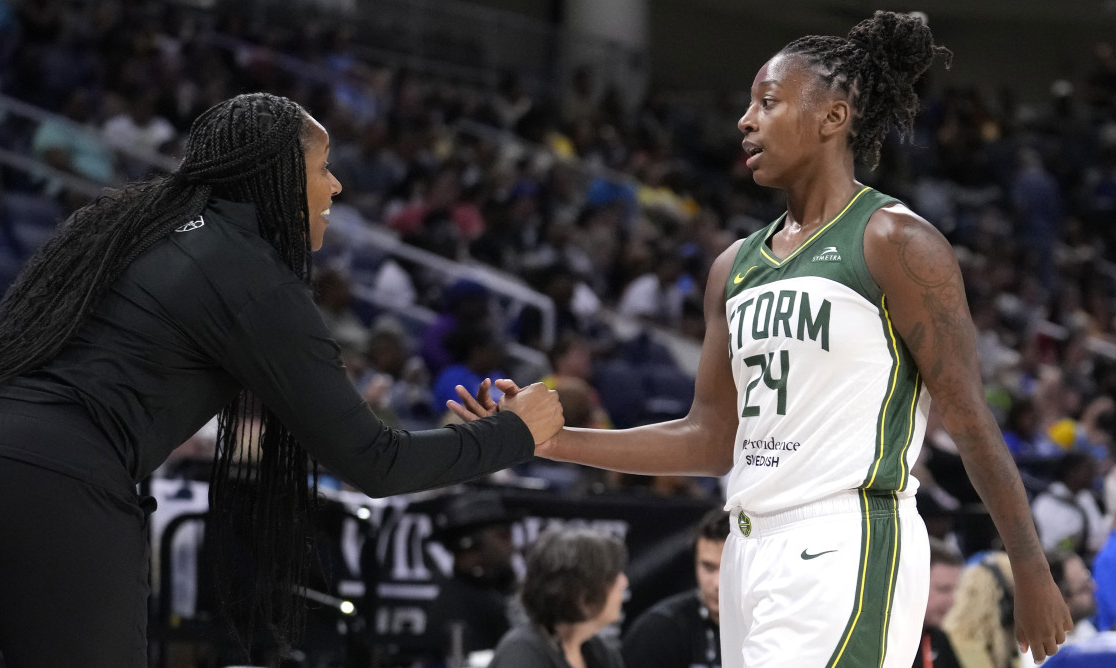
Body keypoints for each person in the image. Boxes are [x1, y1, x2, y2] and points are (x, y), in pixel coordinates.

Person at [451, 10, 1071, 666]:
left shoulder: (895, 241)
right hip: (747, 551)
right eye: (749, 105)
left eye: (768, 102)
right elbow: (710, 438)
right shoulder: (734, 266)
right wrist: (549, 440)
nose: (746, 120)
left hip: (845, 539)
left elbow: (970, 415)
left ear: (834, 117)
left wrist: (1029, 568)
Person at [0, 92, 563, 667]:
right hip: (53, 479)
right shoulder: (250, 274)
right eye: (322, 168)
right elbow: (376, 462)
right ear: (281, 176)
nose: (335, 187)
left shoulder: (110, 224)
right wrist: (515, 436)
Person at [487, 526, 626, 668]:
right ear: (580, 594)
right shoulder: (520, 651)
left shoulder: (598, 650)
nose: (623, 582)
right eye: (611, 577)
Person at [622, 507, 728, 668]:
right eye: (708, 567)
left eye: (728, 569)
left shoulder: (771, 622)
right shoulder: (658, 631)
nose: (717, 584)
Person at [423, 491, 521, 663]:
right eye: (504, 536)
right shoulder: (453, 606)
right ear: (470, 544)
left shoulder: (507, 592)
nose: (512, 545)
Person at [913, 538, 965, 668]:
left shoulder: (938, 639)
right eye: (943, 589)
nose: (952, 600)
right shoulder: (880, 640)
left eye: (954, 590)